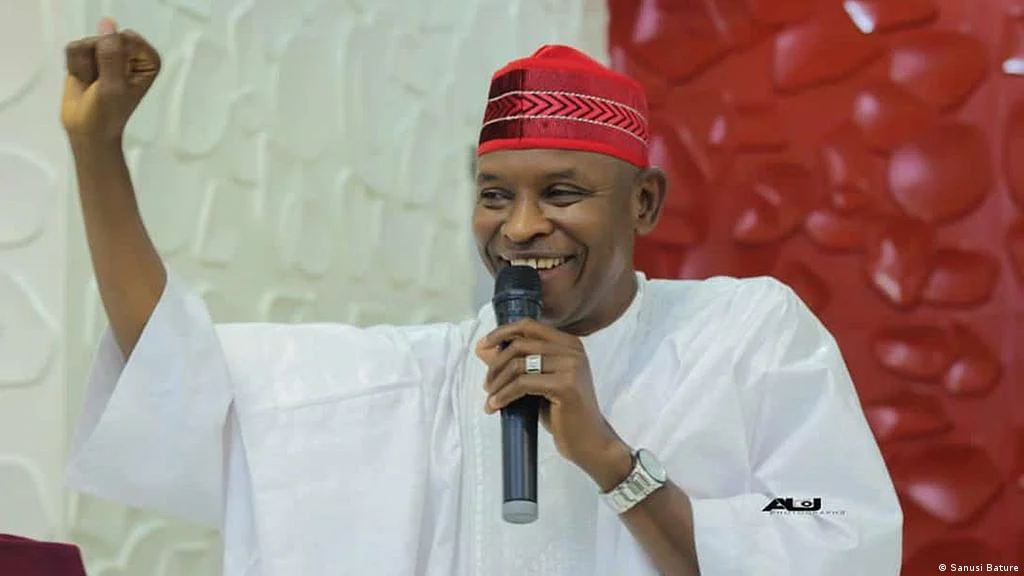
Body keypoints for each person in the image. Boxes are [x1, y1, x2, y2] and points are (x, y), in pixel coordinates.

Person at [61, 17, 903, 576]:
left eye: (562, 193)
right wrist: (97, 151)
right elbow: (177, 371)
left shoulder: (745, 334)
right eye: (496, 196)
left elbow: (833, 532)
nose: (522, 227)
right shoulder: (428, 375)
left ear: (643, 203)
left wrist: (610, 459)